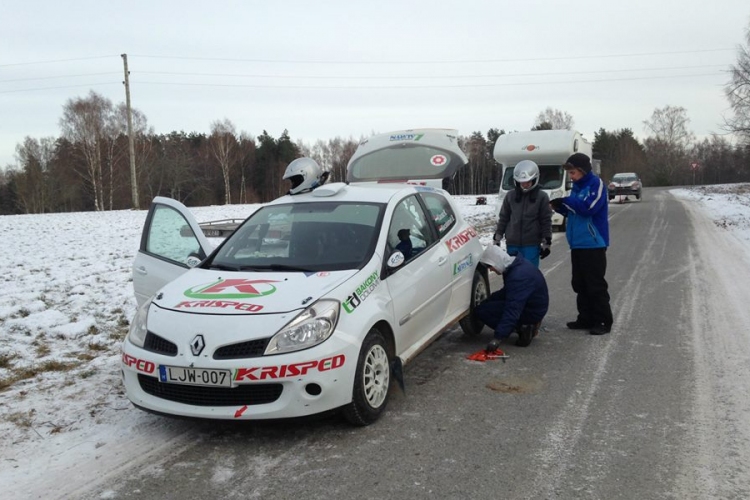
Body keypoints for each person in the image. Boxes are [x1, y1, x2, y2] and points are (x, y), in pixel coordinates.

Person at [549, 152, 613, 335]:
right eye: (569, 173)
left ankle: (602, 320)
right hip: (577, 244)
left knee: (595, 284)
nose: (571, 176)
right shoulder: (576, 188)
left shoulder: (596, 185)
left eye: (573, 172)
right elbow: (574, 211)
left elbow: (588, 208)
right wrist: (560, 207)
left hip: (593, 243)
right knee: (579, 283)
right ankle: (585, 318)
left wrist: (566, 201)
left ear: (583, 171)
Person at [475, 245, 549, 349]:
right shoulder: (515, 265)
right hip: (533, 305)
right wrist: (489, 299)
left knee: (483, 312)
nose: (490, 270)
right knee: (486, 307)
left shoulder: (518, 277)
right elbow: (508, 292)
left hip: (532, 310)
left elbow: (513, 308)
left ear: (496, 261)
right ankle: (528, 324)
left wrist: (497, 338)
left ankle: (525, 328)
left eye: (489, 266)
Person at [493, 160, 553, 268]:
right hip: (512, 244)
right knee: (513, 273)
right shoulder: (510, 196)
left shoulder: (541, 197)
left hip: (531, 244)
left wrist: (546, 242)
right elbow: (504, 218)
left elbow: (545, 220)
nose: (525, 185)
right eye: (522, 182)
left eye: (528, 182)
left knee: (530, 273)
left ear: (535, 179)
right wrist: (497, 237)